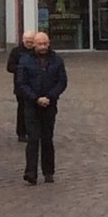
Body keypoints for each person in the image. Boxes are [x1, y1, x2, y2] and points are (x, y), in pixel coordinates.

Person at [14, 30, 68, 187]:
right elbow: (21, 83)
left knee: (47, 139)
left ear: (49, 43)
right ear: (34, 45)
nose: (43, 47)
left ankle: (48, 171)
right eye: (40, 44)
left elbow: (62, 82)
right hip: (31, 105)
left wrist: (49, 97)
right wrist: (35, 98)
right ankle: (31, 172)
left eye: (45, 44)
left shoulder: (57, 60)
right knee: (33, 139)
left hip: (50, 105)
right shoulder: (25, 60)